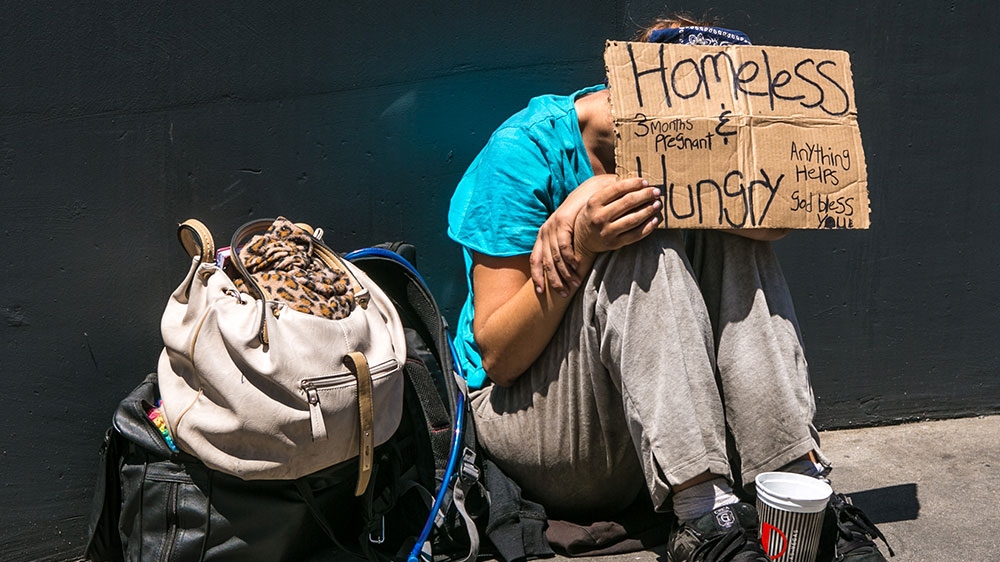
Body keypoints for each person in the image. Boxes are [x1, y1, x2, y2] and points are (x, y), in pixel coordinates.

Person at [447, 14, 892, 562]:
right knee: (635, 235)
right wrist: (584, 240)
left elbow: (774, 223)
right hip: (543, 431)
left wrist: (602, 190)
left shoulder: (703, 165)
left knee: (736, 234)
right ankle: (704, 516)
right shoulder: (523, 152)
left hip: (659, 435)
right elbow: (498, 357)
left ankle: (798, 493)